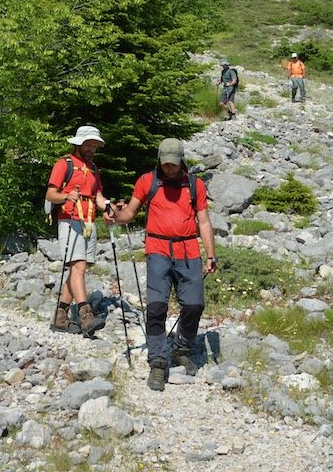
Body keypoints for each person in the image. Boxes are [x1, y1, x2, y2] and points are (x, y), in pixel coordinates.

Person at [106, 138, 216, 391]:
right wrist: (115, 216)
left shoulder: (195, 185)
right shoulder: (148, 181)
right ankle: (157, 361)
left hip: (188, 250)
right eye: (165, 164)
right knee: (156, 307)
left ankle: (182, 348)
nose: (170, 168)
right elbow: (130, 213)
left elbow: (205, 221)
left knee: (195, 304)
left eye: (174, 164)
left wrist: (211, 254)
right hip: (157, 250)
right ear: (159, 160)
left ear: (181, 161)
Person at [45, 124, 112, 336]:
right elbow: (50, 194)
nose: (92, 149)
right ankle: (85, 315)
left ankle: (61, 315)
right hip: (69, 218)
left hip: (88, 221)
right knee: (79, 266)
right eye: (89, 144)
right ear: (79, 144)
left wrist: (109, 207)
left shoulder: (94, 169)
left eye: (95, 145)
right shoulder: (64, 164)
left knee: (79, 268)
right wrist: (66, 196)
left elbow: (98, 197)